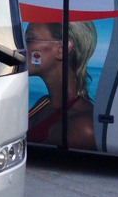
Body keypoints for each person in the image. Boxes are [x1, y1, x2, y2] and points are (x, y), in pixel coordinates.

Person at [25, 20, 98, 150]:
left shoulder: (83, 127)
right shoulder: (44, 103)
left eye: (29, 40)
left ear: (62, 48)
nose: (20, 49)